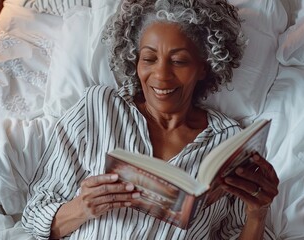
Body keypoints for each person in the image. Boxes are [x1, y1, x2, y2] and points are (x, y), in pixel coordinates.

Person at [21, 0, 279, 239]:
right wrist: (81, 208)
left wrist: (257, 214)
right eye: (149, 59)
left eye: (178, 61)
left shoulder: (228, 142)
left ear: (204, 66)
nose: (161, 75)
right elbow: (35, 215)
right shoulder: (98, 108)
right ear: (135, 61)